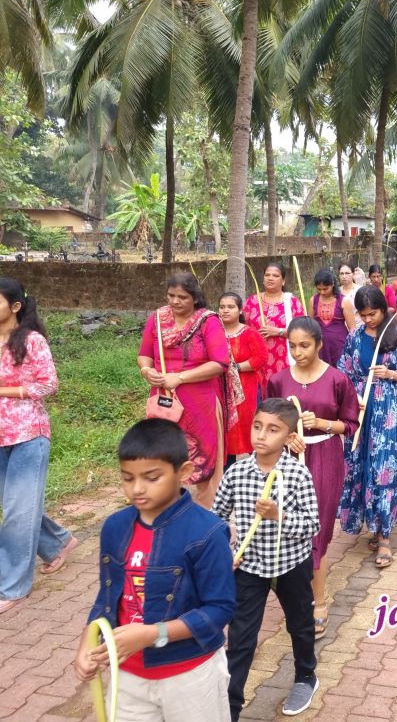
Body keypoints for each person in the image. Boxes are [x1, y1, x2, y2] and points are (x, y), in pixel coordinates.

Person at [73, 420, 235, 721]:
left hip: (190, 674)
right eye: (127, 478)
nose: (137, 488)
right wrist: (88, 641)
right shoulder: (114, 527)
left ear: (184, 472)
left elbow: (220, 609)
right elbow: (108, 595)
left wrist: (153, 634)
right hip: (128, 674)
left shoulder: (207, 532)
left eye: (152, 478)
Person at [214, 399, 321, 720]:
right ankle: (230, 707)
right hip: (249, 566)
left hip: (291, 564)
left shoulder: (297, 473)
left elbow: (312, 525)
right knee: (241, 638)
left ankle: (306, 676)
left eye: (273, 430)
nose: (261, 435)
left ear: (289, 437)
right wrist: (225, 552)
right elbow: (216, 519)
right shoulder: (237, 472)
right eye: (257, 426)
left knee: (300, 624)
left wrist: (278, 516)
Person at [268, 317, 359, 638]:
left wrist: (321, 423)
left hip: (324, 456)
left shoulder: (337, 379)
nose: (297, 352)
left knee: (315, 529)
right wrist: (286, 436)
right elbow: (267, 420)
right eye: (292, 346)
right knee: (287, 526)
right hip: (287, 460)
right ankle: (296, 594)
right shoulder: (278, 380)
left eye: (304, 345)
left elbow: (350, 424)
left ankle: (318, 601)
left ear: (319, 344)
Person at [0, 278, 78, 615]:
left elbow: (49, 384)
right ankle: (58, 543)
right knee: (18, 505)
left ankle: (12, 586)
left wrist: (5, 391)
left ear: (15, 306)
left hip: (28, 434)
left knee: (17, 511)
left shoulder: (31, 341)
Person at [338, 286, 397, 568]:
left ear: (383, 309)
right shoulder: (355, 335)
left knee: (385, 469)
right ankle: (373, 526)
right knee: (363, 468)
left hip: (391, 412)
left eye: (372, 314)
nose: (368, 319)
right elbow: (344, 371)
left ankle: (385, 536)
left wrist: (391, 374)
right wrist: (352, 397)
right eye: (363, 315)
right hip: (362, 409)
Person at [139, 272, 232, 508]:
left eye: (182, 297)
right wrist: (147, 371)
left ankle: (204, 512)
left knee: (203, 462)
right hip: (163, 402)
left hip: (199, 403)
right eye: (171, 295)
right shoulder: (157, 319)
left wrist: (179, 378)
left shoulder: (208, 321)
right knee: (162, 456)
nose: (175, 301)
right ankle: (165, 509)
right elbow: (144, 355)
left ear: (195, 298)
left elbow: (220, 363)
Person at [219, 292, 269, 464]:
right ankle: (227, 470)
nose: (225, 310)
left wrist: (236, 368)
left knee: (247, 426)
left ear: (240, 310)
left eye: (230, 307)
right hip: (221, 387)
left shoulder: (249, 333)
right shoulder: (214, 333)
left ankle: (255, 467)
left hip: (247, 388)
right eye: (222, 307)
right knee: (225, 428)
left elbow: (261, 357)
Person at [243, 262, 307, 377]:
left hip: (284, 361)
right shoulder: (252, 301)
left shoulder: (292, 302)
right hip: (255, 361)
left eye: (275, 275)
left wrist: (279, 331)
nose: (270, 278)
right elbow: (242, 328)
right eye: (267, 275)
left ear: (283, 281)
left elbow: (304, 332)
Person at [311, 268, 354, 367]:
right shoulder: (313, 300)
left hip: (339, 345)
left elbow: (352, 328)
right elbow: (311, 326)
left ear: (332, 284)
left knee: (340, 370)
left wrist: (352, 347)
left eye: (325, 289)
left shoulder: (344, 301)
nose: (322, 292)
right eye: (319, 289)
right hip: (320, 346)